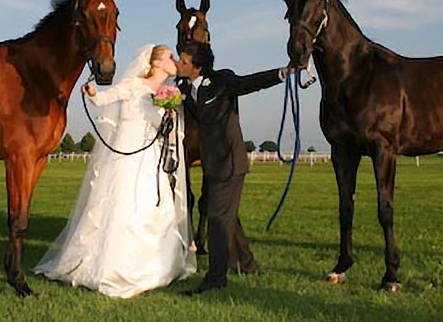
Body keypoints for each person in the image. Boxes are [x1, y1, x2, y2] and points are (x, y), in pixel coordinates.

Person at [34, 44, 196, 298]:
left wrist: (169, 118)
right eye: (168, 57)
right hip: (126, 153)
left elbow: (169, 130)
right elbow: (104, 99)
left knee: (153, 206)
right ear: (155, 63)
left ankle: (157, 266)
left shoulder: (170, 93)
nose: (174, 60)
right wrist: (93, 92)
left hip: (151, 156)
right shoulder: (133, 85)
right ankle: (115, 268)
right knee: (123, 206)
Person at [175, 42, 289, 295]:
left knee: (217, 218)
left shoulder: (222, 80)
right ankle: (247, 264)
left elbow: (251, 82)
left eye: (183, 61)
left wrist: (282, 73)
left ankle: (215, 279)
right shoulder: (182, 87)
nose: (177, 63)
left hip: (230, 162)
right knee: (228, 217)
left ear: (197, 66)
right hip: (211, 163)